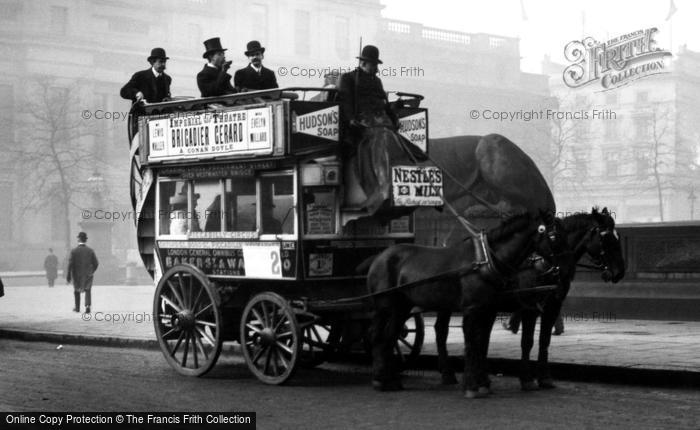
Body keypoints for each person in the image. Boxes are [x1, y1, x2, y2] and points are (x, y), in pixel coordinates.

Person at [337, 45, 425, 213]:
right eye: (373, 64)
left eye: (376, 64)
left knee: (405, 145)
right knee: (382, 137)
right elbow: (345, 102)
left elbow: (384, 105)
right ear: (363, 62)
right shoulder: (347, 78)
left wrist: (394, 113)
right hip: (362, 124)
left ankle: (419, 187)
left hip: (381, 122)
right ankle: (383, 187)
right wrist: (351, 120)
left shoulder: (377, 81)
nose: (376, 68)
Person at [66, 232, 99, 314]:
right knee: (88, 290)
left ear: (78, 239)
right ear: (85, 240)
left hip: (77, 274)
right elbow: (96, 263)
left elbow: (70, 264)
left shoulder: (74, 251)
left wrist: (68, 275)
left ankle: (77, 307)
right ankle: (87, 306)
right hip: (88, 274)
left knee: (76, 290)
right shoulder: (90, 251)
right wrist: (91, 271)